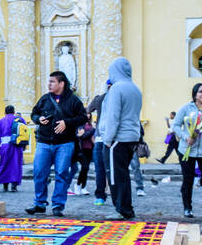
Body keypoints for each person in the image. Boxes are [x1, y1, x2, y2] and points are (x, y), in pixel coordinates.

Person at [26, 71, 88, 216]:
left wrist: (67, 122)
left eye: (52, 82)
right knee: (39, 172)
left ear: (61, 83)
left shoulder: (73, 100)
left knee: (62, 174)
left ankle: (58, 205)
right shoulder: (45, 99)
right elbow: (34, 113)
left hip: (65, 143)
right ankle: (39, 203)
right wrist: (39, 118)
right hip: (44, 142)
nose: (49, 84)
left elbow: (83, 118)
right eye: (49, 82)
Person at [96, 57, 143, 220]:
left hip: (117, 138)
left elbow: (113, 116)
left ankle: (122, 209)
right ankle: (126, 208)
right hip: (131, 137)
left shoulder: (117, 89)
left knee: (115, 175)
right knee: (123, 174)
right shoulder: (135, 88)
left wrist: (107, 140)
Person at [172, 82, 202, 218]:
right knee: (188, 179)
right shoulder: (186, 109)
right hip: (187, 149)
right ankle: (188, 208)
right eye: (200, 91)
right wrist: (184, 137)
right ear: (194, 94)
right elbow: (175, 125)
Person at [0, 105, 24, 192]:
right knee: (16, 164)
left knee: (4, 164)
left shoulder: (1, 121)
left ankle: (5, 184)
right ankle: (14, 185)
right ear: (14, 112)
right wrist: (24, 145)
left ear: (5, 112)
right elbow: (26, 132)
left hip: (5, 145)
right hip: (17, 145)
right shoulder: (20, 120)